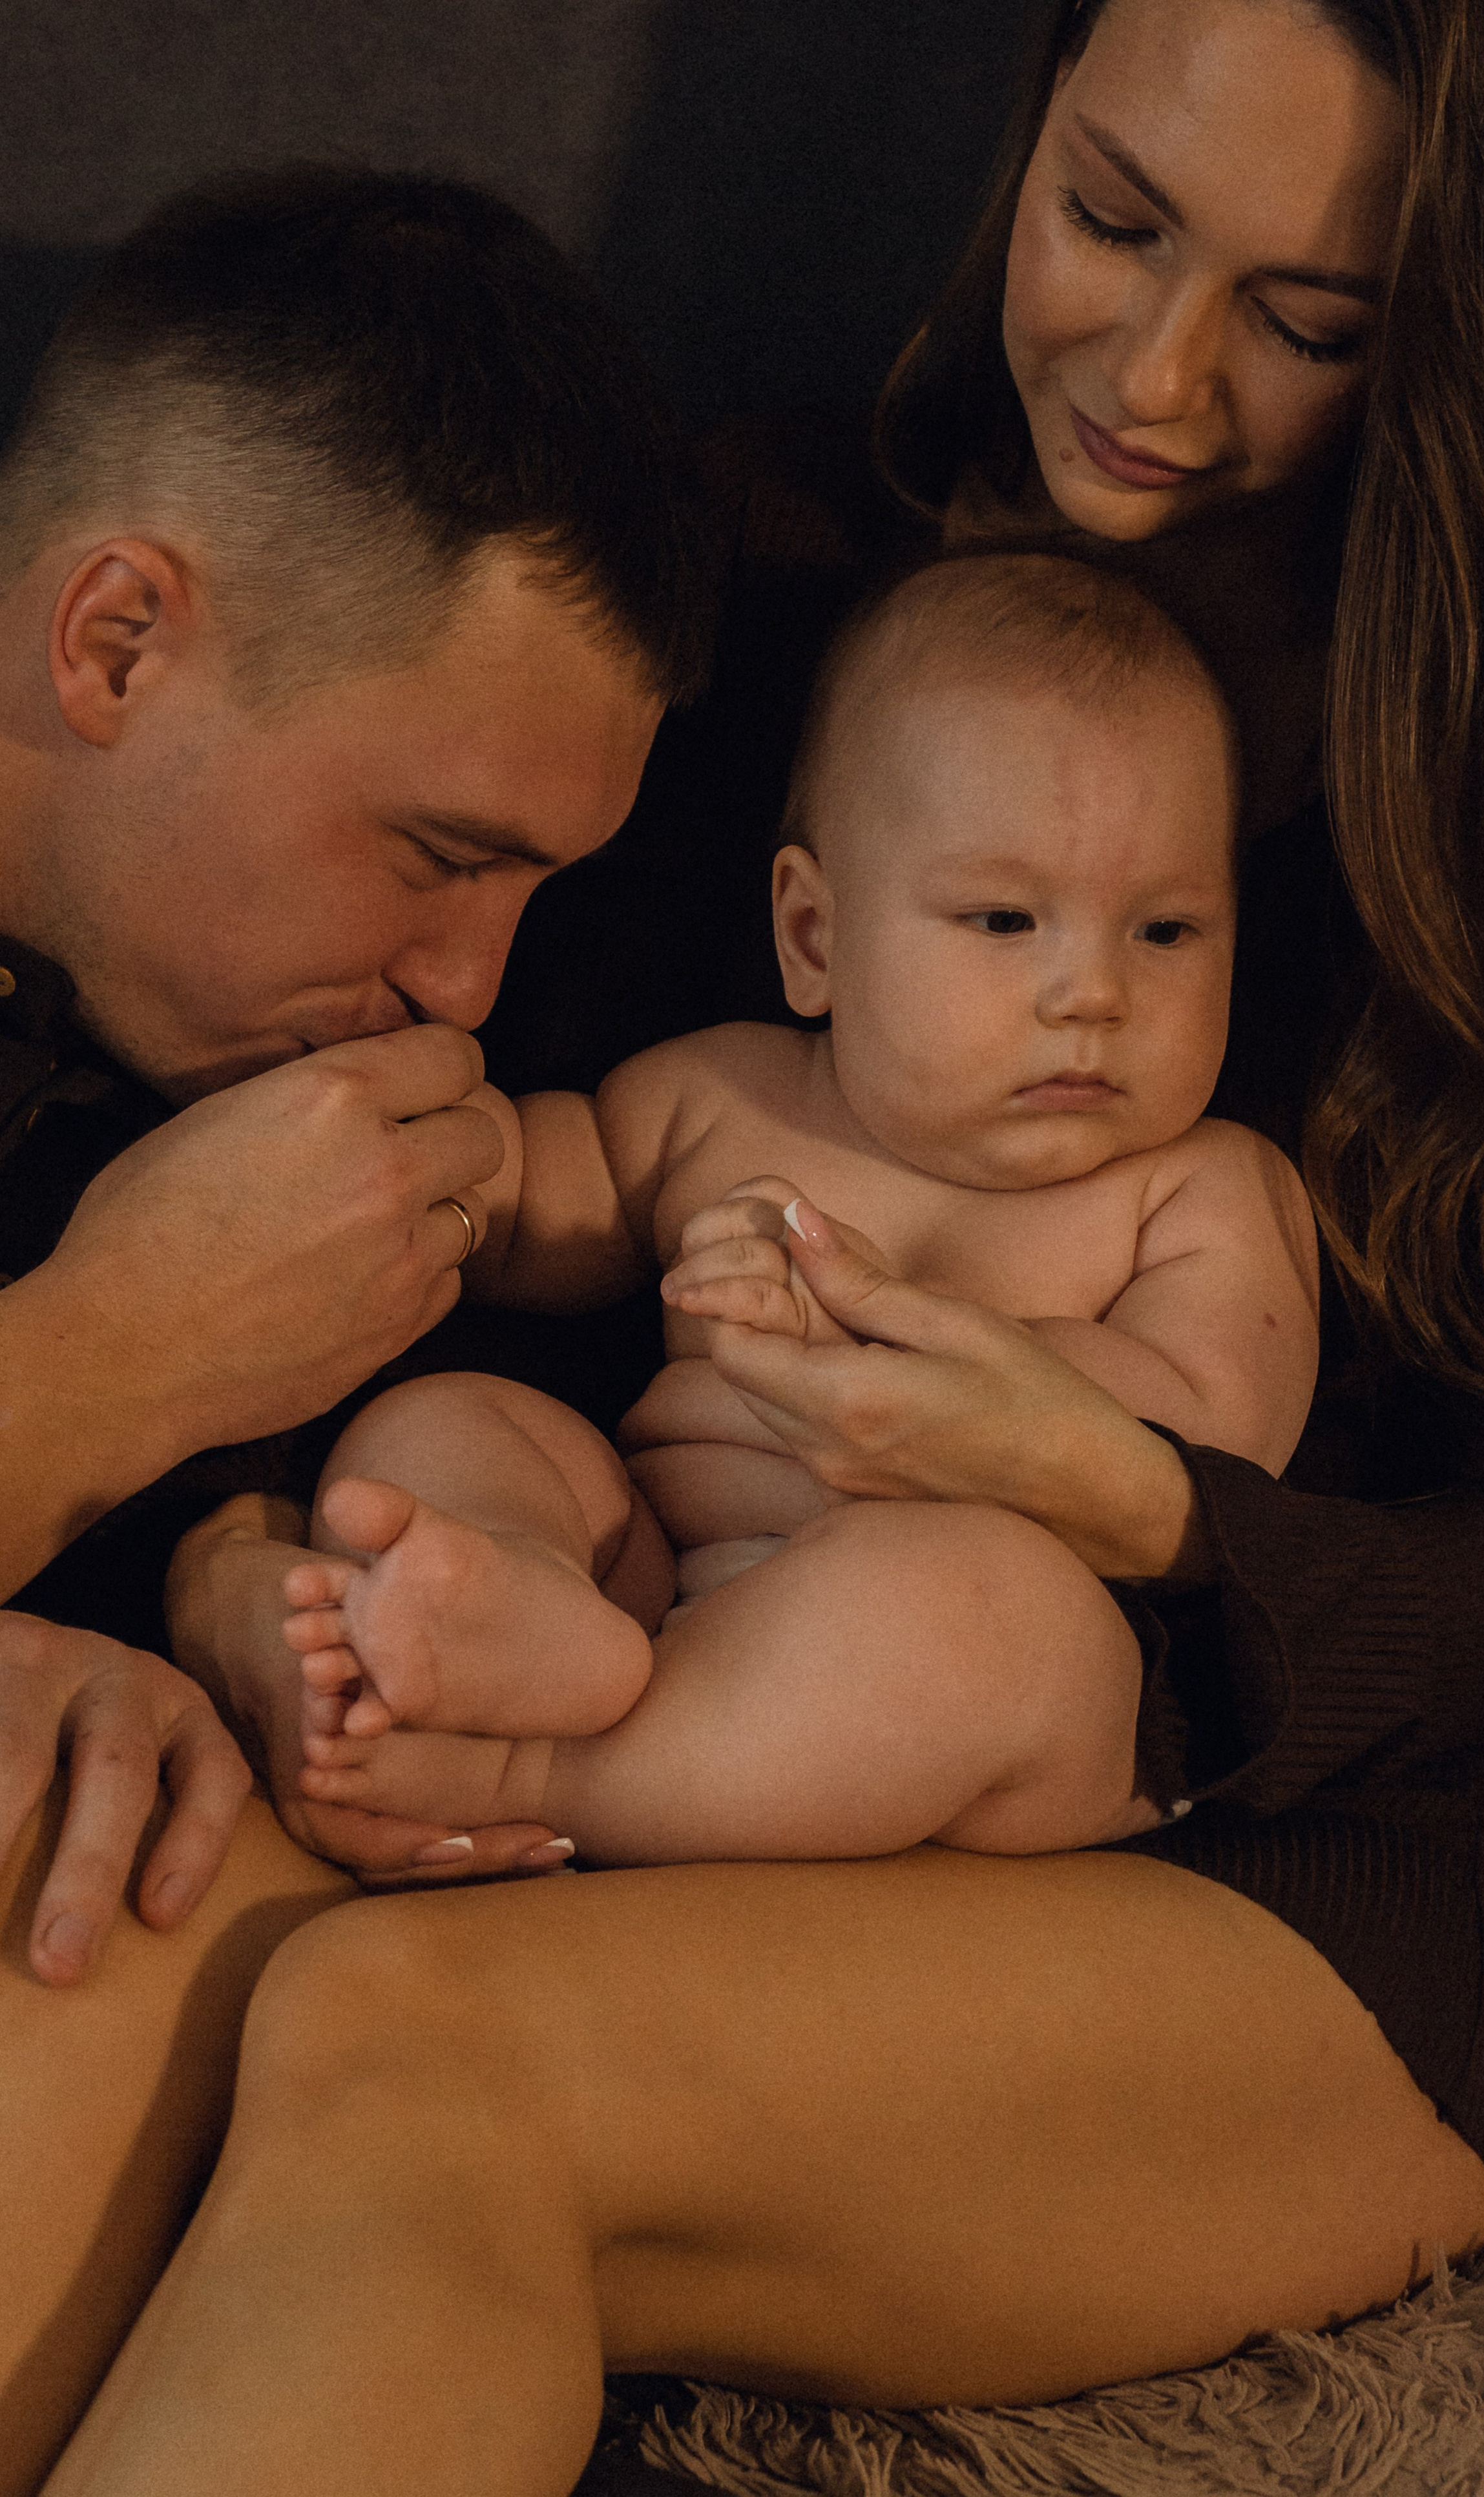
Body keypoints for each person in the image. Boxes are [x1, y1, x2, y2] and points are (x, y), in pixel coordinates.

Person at [17, 0, 1484, 2488]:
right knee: (154, 1933)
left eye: (1313, 320)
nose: (1167, 376)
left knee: (416, 2036)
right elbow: (349, 1169)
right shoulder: (737, 587)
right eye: (1109, 219)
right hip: (646, 1646)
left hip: (1264, 1863)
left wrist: (1124, 1492)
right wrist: (241, 1564)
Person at [0, 163, 712, 2491]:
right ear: (112, 640)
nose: (469, 988)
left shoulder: (301, 1058)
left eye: (538, 885)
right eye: (438, 852)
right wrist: (110, 1355)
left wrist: (223, 1572)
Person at [276, 551, 1320, 1867]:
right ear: (814, 937)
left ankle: (539, 1774)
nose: (1091, 994)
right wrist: (424, 1160)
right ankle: (520, 1604)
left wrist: (900, 1339)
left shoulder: (1201, 1185)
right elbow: (545, 1192)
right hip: (669, 1585)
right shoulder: (722, 1094)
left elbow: (1222, 1439)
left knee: (982, 1618)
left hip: (976, 1681)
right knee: (446, 1421)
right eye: (1005, 919)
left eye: (1165, 931)